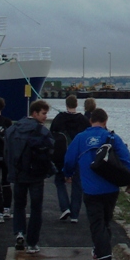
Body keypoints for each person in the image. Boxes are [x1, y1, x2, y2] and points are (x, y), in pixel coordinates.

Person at [62, 107, 130, 260]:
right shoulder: (112, 137)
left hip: (91, 190)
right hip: (110, 189)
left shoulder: (80, 138)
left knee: (97, 225)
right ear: (105, 121)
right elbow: (126, 159)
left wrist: (68, 173)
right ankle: (101, 251)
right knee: (105, 222)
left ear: (90, 120)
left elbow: (69, 159)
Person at [5, 99, 54, 254]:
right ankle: (32, 242)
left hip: (19, 174)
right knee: (36, 208)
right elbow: (50, 152)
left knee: (19, 205)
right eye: (44, 113)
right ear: (35, 113)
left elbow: (7, 152)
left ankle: (19, 232)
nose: (46, 117)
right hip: (36, 176)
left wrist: (11, 171)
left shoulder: (13, 129)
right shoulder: (42, 131)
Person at [49, 94, 90, 222]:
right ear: (76, 104)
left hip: (61, 155)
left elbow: (51, 136)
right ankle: (75, 215)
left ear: (66, 104)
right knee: (77, 184)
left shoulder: (59, 118)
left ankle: (65, 207)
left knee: (59, 181)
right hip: (78, 155)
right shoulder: (83, 120)